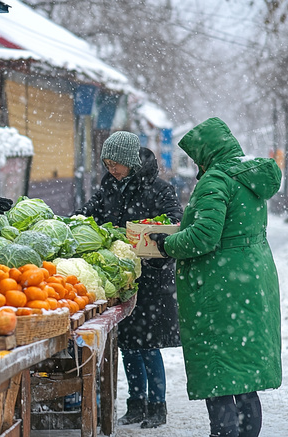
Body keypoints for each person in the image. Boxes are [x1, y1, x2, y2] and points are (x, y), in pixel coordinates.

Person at [149, 118, 282, 437]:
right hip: (251, 278)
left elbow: (204, 237)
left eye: (198, 157)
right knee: (244, 376)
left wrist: (165, 245)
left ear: (206, 152)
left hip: (220, 286)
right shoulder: (249, 175)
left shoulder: (217, 181)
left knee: (219, 374)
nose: (197, 164)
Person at [75, 131, 183, 429]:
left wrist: (155, 238)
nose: (111, 169)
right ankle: (135, 404)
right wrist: (74, 222)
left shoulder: (160, 190)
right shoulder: (109, 187)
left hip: (152, 279)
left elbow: (176, 222)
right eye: (106, 163)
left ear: (130, 161)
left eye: (115, 163)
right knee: (129, 345)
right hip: (122, 279)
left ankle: (157, 406)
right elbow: (89, 213)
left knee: (149, 345)